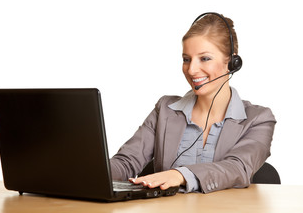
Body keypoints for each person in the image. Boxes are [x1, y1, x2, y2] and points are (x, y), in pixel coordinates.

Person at [110, 12, 276, 193]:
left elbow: (238, 168)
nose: (192, 69)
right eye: (186, 59)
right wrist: (89, 171)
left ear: (232, 61)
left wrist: (180, 175)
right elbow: (127, 162)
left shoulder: (258, 119)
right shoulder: (164, 110)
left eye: (205, 58)